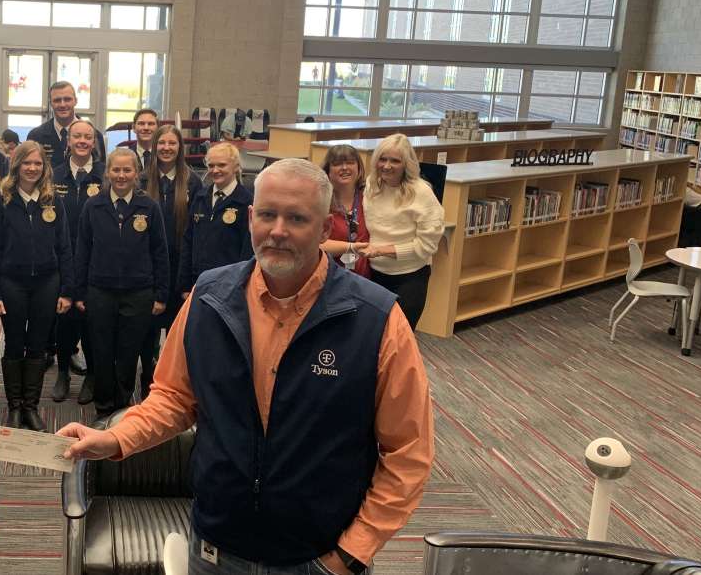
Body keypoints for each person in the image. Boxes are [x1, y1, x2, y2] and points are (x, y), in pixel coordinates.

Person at [58, 158, 434, 575]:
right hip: (216, 548)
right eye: (269, 215)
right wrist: (114, 440)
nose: (278, 231)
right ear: (251, 218)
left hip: (318, 557)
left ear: (327, 229)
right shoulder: (209, 298)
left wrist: (351, 554)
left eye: (297, 218)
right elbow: (173, 397)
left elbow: (408, 452)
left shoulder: (375, 318)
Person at [0, 141, 73, 431]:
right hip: (11, 283)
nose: (32, 168)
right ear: (17, 165)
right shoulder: (2, 201)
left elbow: (65, 247)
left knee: (37, 346)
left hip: (47, 283)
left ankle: (31, 407)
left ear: (44, 167)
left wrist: (66, 290)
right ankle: (14, 406)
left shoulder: (52, 200)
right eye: (27, 163)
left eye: (38, 164)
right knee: (13, 344)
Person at [74, 148, 168, 420]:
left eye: (127, 170)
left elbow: (160, 252)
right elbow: (82, 250)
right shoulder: (93, 205)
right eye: (116, 170)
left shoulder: (149, 207)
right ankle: (104, 408)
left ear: (136, 173)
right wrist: (80, 291)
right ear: (107, 173)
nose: (121, 175)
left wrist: (161, 294)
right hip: (99, 291)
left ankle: (122, 406)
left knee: (129, 353)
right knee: (102, 351)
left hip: (138, 293)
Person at [362, 133, 445, 329]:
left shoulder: (422, 193)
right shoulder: (371, 185)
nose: (387, 166)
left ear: (406, 164)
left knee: (400, 339)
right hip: (373, 275)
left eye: (395, 161)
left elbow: (427, 246)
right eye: (382, 159)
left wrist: (382, 251)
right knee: (373, 336)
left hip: (409, 277)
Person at [141, 124, 200, 393]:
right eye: (161, 143)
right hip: (149, 269)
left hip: (180, 268)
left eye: (172, 143)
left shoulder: (193, 181)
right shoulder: (143, 180)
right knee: (148, 332)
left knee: (180, 334)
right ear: (154, 147)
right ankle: (147, 382)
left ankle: (175, 388)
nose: (166, 148)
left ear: (180, 148)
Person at [51, 119, 104, 403]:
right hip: (63, 258)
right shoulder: (55, 176)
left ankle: (92, 375)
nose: (82, 141)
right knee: (65, 320)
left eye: (88, 137)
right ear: (68, 141)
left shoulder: (105, 176)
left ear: (94, 143)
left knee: (91, 320)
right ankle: (62, 372)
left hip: (96, 261)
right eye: (77, 137)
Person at [178, 142, 252, 297]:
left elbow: (248, 250)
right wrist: (184, 284)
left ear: (236, 166)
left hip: (229, 286)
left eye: (222, 165)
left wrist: (241, 286)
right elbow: (188, 241)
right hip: (198, 282)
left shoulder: (246, 202)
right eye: (211, 166)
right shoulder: (200, 197)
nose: (215, 170)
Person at [320, 144, 372, 278]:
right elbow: (315, 244)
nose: (344, 168)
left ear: (359, 167)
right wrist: (351, 247)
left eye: (350, 163)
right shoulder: (321, 201)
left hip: (366, 279)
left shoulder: (369, 198)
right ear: (328, 171)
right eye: (337, 164)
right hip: (330, 277)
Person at [27, 81, 106, 167]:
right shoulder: (36, 136)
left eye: (67, 99)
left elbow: (101, 173)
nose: (62, 104)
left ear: (75, 101)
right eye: (57, 100)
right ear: (51, 104)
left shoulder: (95, 135)